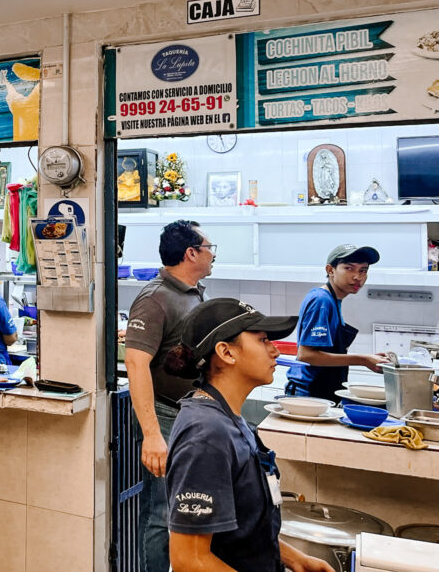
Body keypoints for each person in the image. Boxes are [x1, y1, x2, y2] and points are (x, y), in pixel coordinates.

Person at [163, 298, 331, 572]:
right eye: (263, 340)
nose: (274, 350)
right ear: (227, 353)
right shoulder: (205, 435)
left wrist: (294, 559)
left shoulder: (230, 418)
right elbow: (189, 560)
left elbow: (241, 528)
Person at [124, 219, 214, 572]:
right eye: (210, 249)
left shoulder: (191, 292)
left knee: (182, 509)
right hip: (163, 417)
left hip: (188, 416)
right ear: (191, 253)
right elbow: (135, 363)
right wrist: (151, 435)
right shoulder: (156, 297)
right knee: (161, 512)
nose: (212, 256)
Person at [285, 244, 388, 401]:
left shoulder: (333, 300)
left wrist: (369, 357)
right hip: (308, 393)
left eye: (363, 270)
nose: (357, 277)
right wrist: (363, 360)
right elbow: (306, 355)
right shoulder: (322, 301)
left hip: (321, 389)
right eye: (349, 268)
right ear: (330, 270)